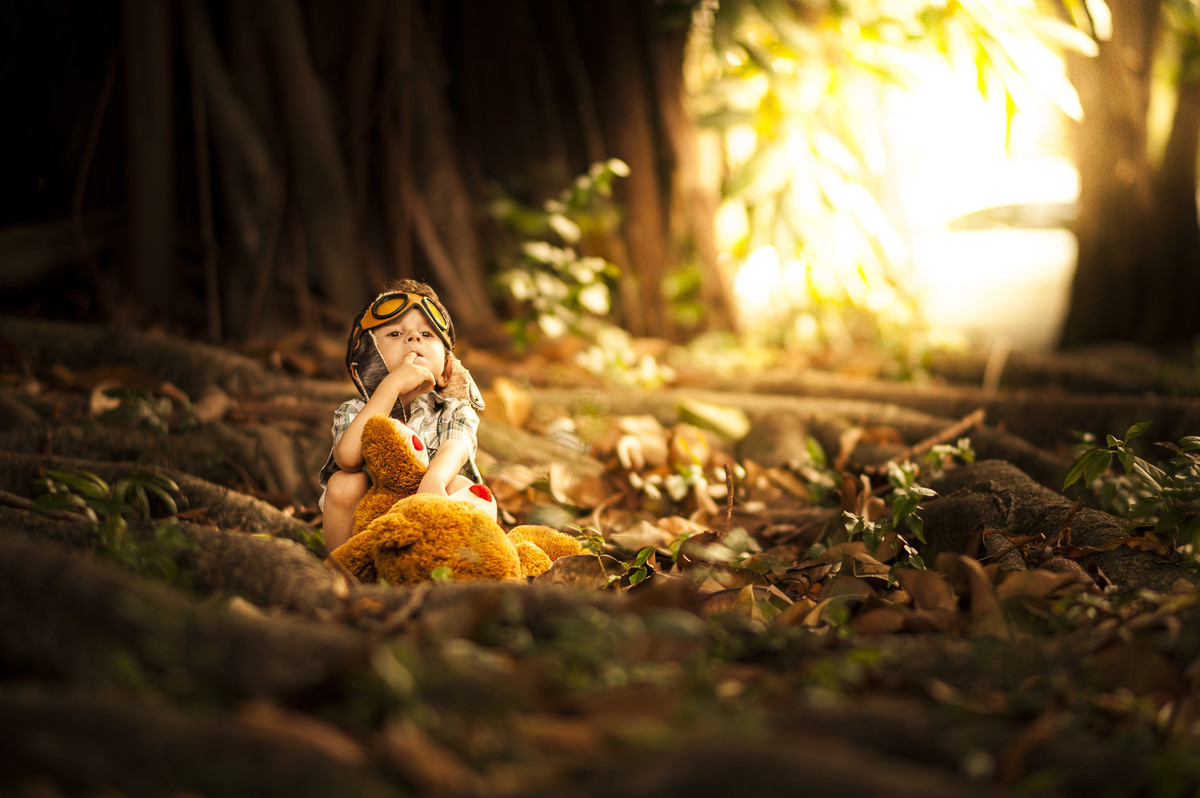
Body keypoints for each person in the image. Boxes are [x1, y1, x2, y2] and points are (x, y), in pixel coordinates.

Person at [319, 279, 485, 551]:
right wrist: (392, 385)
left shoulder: (454, 409)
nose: (414, 338)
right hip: (371, 523)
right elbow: (347, 459)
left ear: (446, 370)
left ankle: (450, 574)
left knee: (461, 486)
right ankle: (344, 570)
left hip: (432, 510)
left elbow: (457, 447)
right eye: (395, 334)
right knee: (343, 484)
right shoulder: (354, 410)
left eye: (427, 334)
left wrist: (434, 481)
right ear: (367, 364)